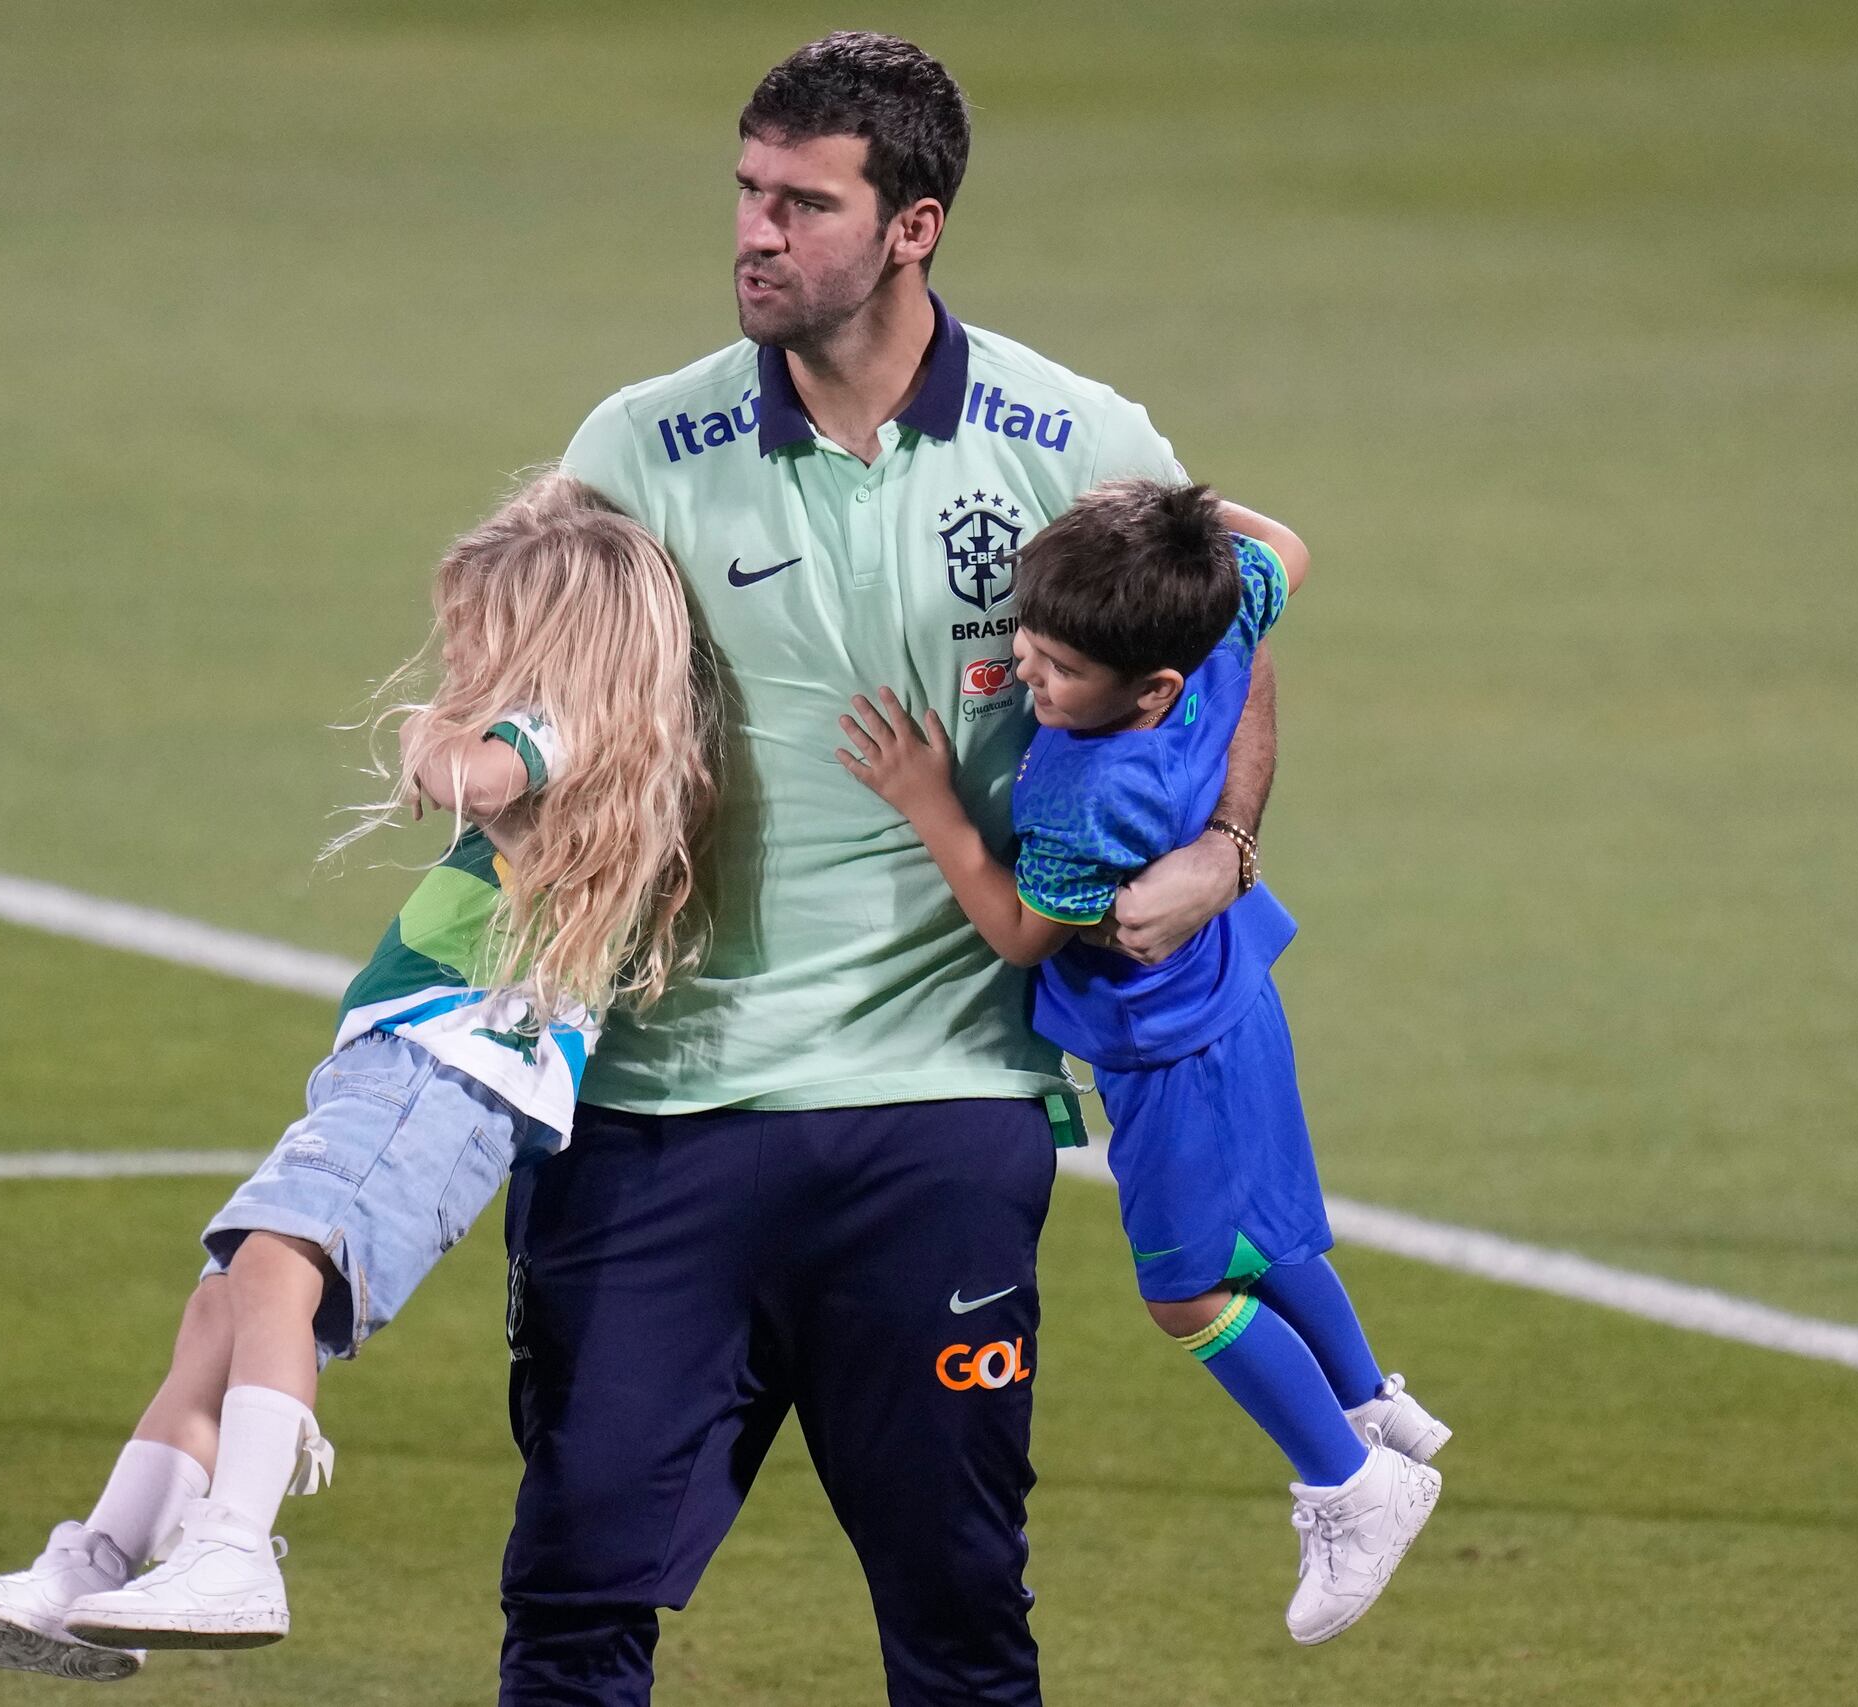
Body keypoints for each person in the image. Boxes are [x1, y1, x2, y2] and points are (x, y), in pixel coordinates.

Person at [506, 31, 1295, 1705]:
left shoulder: (1068, 435)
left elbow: (1226, 621)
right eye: (747, 192)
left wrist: (1223, 845)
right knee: (575, 1599)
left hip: (936, 1109)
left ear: (912, 227)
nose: (756, 233)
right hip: (657, 1105)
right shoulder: (642, 447)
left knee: (957, 1613)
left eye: (804, 202)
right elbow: (533, 694)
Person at [0, 474, 715, 1683]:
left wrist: (433, 739)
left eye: (478, 630)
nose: (458, 653)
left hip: (441, 1072)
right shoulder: (596, 742)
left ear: (551, 635)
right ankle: (95, 1564)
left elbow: (476, 778)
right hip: (412, 1071)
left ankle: (234, 1543)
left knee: (282, 1266)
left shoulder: (563, 725)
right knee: (226, 1305)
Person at [837, 478, 1451, 1646]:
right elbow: (1286, 546)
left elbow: (1024, 934)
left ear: (1148, 688)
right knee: (1268, 1234)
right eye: (1030, 642)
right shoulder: (1220, 617)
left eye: (1058, 670)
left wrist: (933, 806)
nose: (1028, 674)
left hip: (1163, 1049)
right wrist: (1185, 514)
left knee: (1185, 1293)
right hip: (1236, 987)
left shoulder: (1082, 785)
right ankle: (1372, 1403)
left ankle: (1349, 1482)